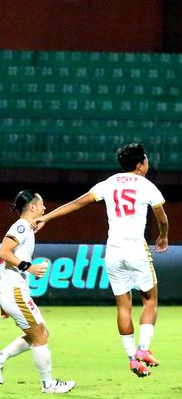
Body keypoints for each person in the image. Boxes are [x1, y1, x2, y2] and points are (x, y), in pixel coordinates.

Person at [34, 143, 169, 378]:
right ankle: (143, 349)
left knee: (123, 305)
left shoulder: (109, 183)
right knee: (150, 301)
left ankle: (131, 360)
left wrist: (47, 217)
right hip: (136, 249)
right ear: (140, 165)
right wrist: (163, 236)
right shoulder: (148, 186)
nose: (148, 163)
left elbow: (77, 203)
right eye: (146, 159)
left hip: (113, 251)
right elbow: (162, 217)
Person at [0, 190, 75, 394]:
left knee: (41, 333)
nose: (44, 208)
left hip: (12, 293)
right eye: (41, 204)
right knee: (40, 336)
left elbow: (3, 260)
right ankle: (48, 384)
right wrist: (29, 267)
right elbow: (3, 252)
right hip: (14, 292)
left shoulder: (25, 227)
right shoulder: (22, 226)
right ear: (32, 207)